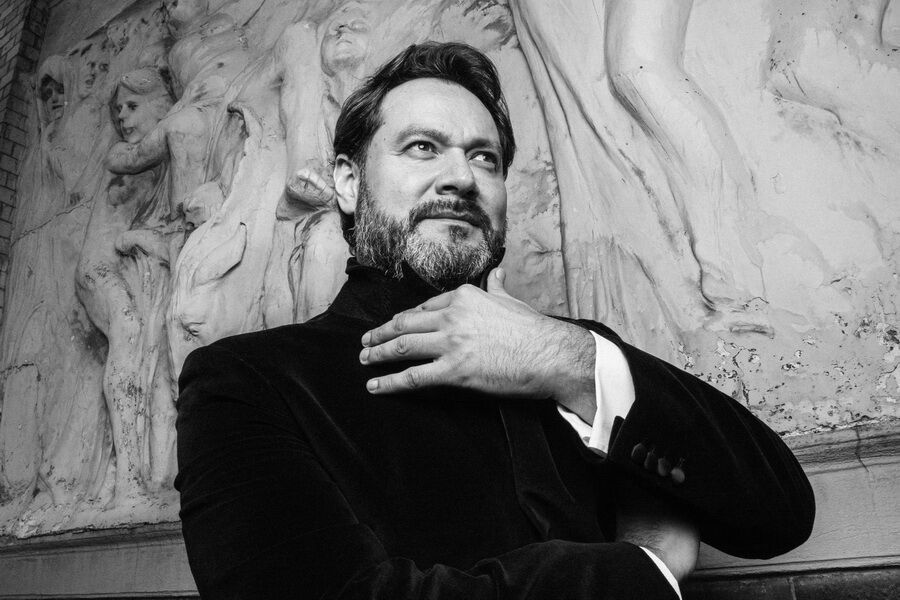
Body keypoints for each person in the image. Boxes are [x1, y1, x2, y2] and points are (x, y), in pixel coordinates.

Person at [176, 42, 815, 599]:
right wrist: (644, 568)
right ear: (348, 182)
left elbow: (781, 512)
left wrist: (565, 358)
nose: (461, 177)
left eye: (485, 158)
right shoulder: (246, 380)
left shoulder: (571, 352)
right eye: (422, 147)